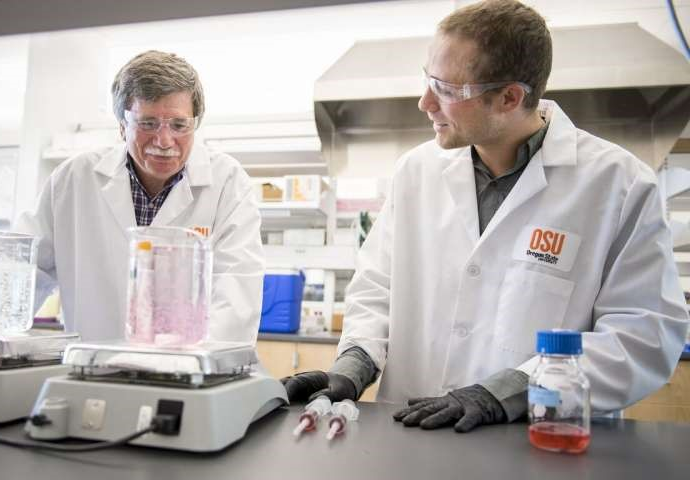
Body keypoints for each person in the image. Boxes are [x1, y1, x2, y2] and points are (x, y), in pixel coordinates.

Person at [282, 0, 689, 433]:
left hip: (536, 441)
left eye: (446, 90)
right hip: (407, 440)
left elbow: (643, 337)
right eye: (427, 81)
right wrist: (355, 364)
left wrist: (510, 390)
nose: (424, 103)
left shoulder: (618, 185)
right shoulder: (416, 172)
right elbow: (377, 290)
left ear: (510, 97)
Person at [16, 50, 264, 343]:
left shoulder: (228, 183)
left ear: (195, 124)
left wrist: (188, 367)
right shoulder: (73, 179)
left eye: (179, 125)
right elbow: (23, 272)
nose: (164, 140)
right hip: (93, 370)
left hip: (188, 377)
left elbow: (236, 295)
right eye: (147, 123)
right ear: (122, 125)